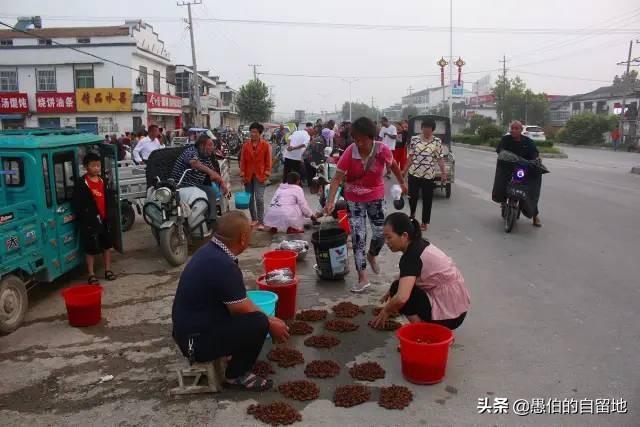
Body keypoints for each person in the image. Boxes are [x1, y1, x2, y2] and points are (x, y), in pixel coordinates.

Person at [172, 211, 290, 392]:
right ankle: (237, 375)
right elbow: (240, 308)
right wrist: (270, 322)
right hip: (195, 344)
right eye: (250, 232)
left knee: (257, 316)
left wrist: (272, 320)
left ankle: (228, 352)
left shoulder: (210, 251)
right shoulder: (223, 265)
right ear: (243, 238)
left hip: (189, 334)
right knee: (258, 322)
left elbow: (238, 302)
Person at [325, 117, 408, 293]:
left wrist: (402, 183)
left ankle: (372, 256)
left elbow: (393, 165)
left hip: (375, 196)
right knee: (358, 237)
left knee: (380, 234)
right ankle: (362, 276)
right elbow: (337, 178)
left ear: (372, 137)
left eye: (363, 139)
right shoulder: (350, 152)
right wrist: (330, 201)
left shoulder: (381, 149)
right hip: (354, 199)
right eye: (356, 138)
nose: (359, 143)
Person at [373, 212, 470, 330]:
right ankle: (434, 329)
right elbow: (407, 274)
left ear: (404, 235)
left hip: (449, 317)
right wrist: (391, 291)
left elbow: (402, 298)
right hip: (459, 309)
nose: (386, 242)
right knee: (396, 287)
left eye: (389, 237)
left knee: (399, 292)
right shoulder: (419, 244)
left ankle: (423, 333)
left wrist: (386, 311)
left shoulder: (411, 257)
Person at [71, 152, 117, 285]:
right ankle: (91, 274)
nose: (96, 168)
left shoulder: (104, 181)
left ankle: (108, 270)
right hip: (90, 222)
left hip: (104, 220)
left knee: (107, 245)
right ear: (86, 167)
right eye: (93, 166)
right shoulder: (81, 183)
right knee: (90, 248)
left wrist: (110, 214)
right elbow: (77, 203)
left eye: (98, 165)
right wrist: (84, 217)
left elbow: (109, 199)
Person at [493, 120, 543, 227]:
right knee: (501, 183)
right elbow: (499, 150)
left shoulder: (528, 142)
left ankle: (535, 215)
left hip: (523, 168)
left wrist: (536, 160)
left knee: (530, 189)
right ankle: (503, 201)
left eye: (517, 128)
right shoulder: (505, 139)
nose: (514, 130)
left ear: (521, 130)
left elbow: (535, 154)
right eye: (512, 128)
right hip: (508, 167)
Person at [171, 133, 229, 223]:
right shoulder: (191, 151)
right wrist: (210, 172)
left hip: (196, 185)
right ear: (202, 146)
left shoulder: (206, 157)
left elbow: (215, 174)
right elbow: (194, 163)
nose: (212, 147)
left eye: (213, 145)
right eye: (210, 145)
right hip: (182, 184)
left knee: (211, 192)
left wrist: (222, 184)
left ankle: (212, 219)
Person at [404, 118, 448, 231]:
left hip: (428, 175)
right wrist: (403, 171)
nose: (427, 130)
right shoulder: (414, 139)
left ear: (432, 130)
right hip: (414, 173)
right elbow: (411, 156)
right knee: (412, 196)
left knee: (427, 199)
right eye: (425, 128)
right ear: (422, 128)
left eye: (429, 128)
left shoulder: (437, 141)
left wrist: (443, 173)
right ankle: (412, 215)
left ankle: (424, 222)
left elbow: (440, 158)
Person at [239, 122, 272, 230]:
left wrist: (267, 173)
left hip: (260, 175)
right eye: (251, 132)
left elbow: (268, 161)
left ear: (260, 133)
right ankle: (254, 219)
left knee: (259, 198)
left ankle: (261, 221)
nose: (252, 134)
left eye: (255, 132)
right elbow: (242, 161)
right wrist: (242, 174)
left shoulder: (265, 145)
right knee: (249, 199)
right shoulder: (245, 145)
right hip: (248, 175)